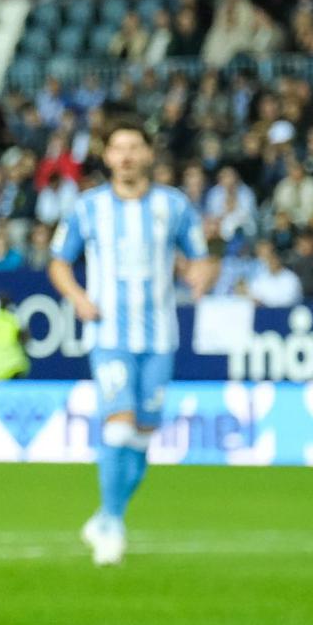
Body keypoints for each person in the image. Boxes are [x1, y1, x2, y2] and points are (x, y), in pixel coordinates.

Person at [48, 117, 216, 567]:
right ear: (107, 157)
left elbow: (201, 257)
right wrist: (79, 299)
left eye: (133, 147)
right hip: (109, 334)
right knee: (118, 425)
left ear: (147, 154)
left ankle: (106, 515)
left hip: (160, 336)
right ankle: (113, 529)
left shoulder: (173, 206)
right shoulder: (87, 208)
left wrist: (200, 275)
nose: (125, 156)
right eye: (117, 148)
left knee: (141, 439)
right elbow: (59, 262)